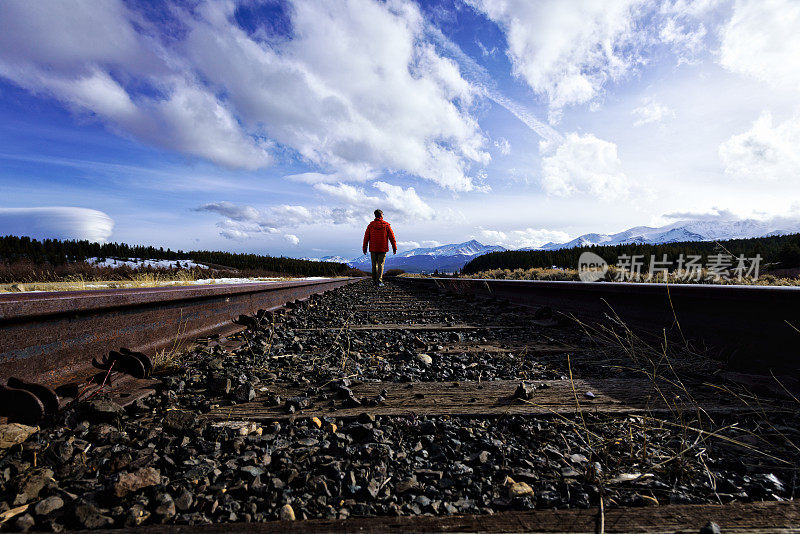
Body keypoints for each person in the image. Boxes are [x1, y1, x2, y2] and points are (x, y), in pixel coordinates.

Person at [362, 209, 397, 287]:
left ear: (375, 215)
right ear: (381, 215)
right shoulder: (386, 225)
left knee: (374, 264)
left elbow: (366, 238)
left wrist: (364, 248)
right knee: (381, 264)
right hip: (383, 248)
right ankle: (379, 280)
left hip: (373, 248)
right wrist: (394, 247)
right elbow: (392, 237)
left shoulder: (370, 225)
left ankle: (374, 280)